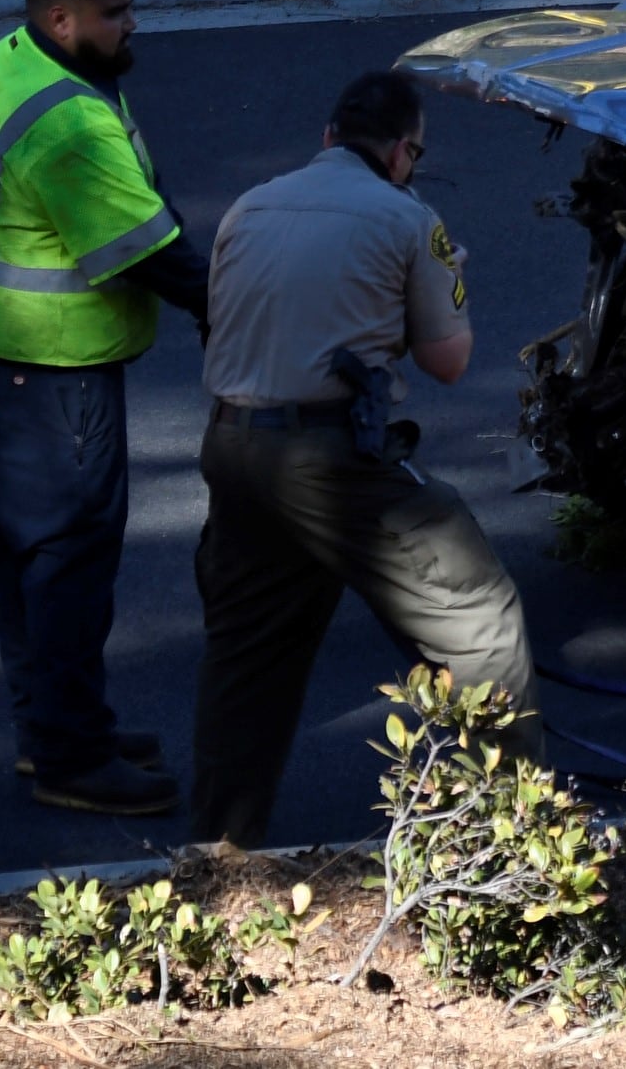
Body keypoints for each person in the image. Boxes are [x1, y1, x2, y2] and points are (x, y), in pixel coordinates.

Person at [186, 69, 538, 849]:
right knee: (480, 621)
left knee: (249, 655)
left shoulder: (248, 207)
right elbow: (449, 361)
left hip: (234, 448)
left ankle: (218, 850)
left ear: (328, 139)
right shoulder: (407, 217)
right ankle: (519, 844)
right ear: (405, 151)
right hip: (331, 458)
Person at [0, 0, 209, 815]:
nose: (134, 23)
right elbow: (156, 256)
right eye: (116, 12)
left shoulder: (13, 60)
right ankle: (70, 759)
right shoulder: (68, 125)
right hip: (46, 376)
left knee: (30, 555)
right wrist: (248, 308)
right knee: (69, 563)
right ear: (62, 18)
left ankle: (54, 725)